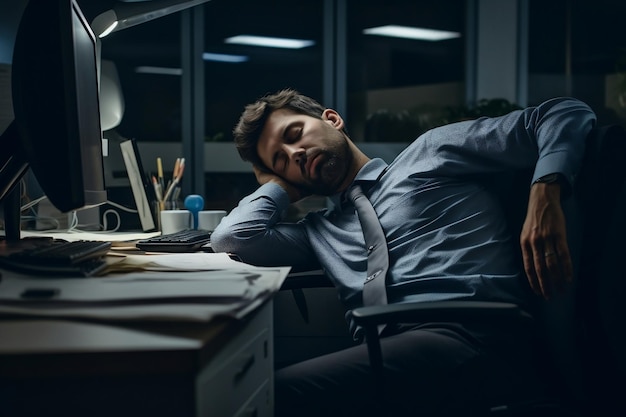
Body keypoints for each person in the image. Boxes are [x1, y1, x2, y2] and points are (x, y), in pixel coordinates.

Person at [210, 89, 596, 416]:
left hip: (477, 336)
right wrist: (277, 185)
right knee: (246, 386)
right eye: (280, 160)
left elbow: (564, 113)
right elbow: (233, 237)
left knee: (268, 396)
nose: (294, 153)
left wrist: (546, 191)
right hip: (393, 350)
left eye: (295, 134)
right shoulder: (318, 232)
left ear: (333, 119)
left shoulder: (430, 153)